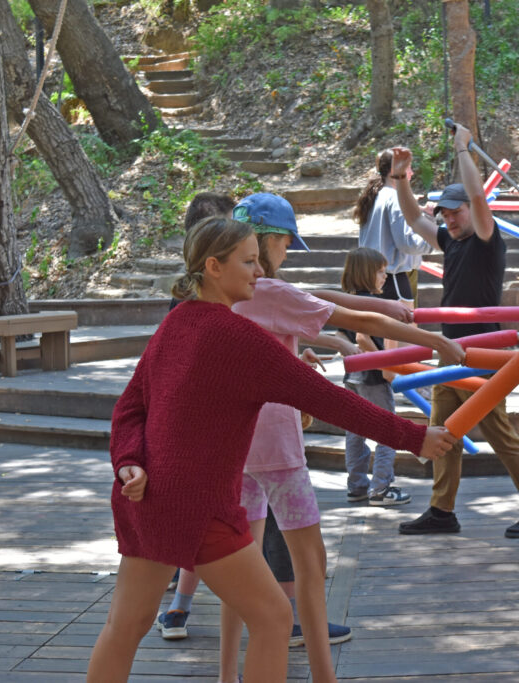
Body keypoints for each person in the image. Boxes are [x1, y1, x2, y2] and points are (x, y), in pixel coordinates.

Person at [87, 216, 455, 683]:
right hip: (199, 509)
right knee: (274, 617)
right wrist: (414, 437)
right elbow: (330, 401)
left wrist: (129, 464)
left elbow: (128, 408)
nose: (259, 271)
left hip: (150, 501)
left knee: (125, 626)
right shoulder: (240, 339)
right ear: (214, 267)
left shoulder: (177, 321)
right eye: (248, 262)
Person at [217, 194, 464, 683]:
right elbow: (352, 317)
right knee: (311, 566)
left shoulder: (228, 292)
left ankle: (227, 675)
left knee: (241, 570)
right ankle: (323, 676)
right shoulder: (268, 290)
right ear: (266, 241)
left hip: (235, 447)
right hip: (276, 448)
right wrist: (434, 340)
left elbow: (322, 302)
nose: (287, 252)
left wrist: (381, 307)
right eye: (285, 243)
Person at [389, 124, 519, 538]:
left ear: (470, 210)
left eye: (456, 212)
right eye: (445, 214)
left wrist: (463, 149)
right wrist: (399, 177)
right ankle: (442, 511)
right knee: (442, 433)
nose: (449, 219)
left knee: (497, 430)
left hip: (481, 352)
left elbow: (480, 198)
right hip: (451, 348)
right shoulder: (450, 241)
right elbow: (412, 216)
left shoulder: (487, 239)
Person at [339, 246, 412, 506]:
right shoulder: (371, 304)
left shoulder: (345, 302)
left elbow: (342, 335)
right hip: (373, 378)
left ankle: (357, 486)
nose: (385, 277)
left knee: (355, 432)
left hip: (353, 377)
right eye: (381, 272)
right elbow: (362, 337)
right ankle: (380, 488)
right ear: (366, 273)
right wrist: (384, 366)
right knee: (387, 431)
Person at [354, 148, 435, 307]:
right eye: (408, 167)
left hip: (371, 276)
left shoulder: (373, 195)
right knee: (404, 323)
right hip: (392, 280)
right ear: (394, 170)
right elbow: (408, 243)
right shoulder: (395, 198)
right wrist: (436, 240)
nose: (412, 172)